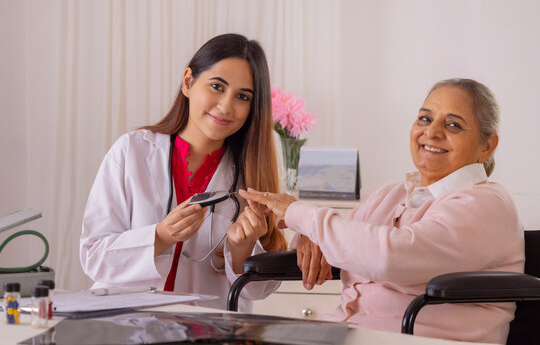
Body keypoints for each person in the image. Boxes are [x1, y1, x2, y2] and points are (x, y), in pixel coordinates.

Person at [240, 78, 524, 344]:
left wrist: (301, 214)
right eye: (425, 118)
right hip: (346, 332)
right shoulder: (393, 193)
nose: (432, 132)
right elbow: (343, 239)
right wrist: (307, 235)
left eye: (453, 125)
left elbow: (390, 256)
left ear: (487, 146)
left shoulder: (486, 203)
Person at [80, 33, 287, 312]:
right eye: (216, 86)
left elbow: (259, 291)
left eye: (242, 96)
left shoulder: (251, 176)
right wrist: (161, 235)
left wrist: (241, 251)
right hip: (126, 324)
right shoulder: (131, 152)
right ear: (188, 81)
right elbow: (94, 257)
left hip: (208, 330)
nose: (226, 106)